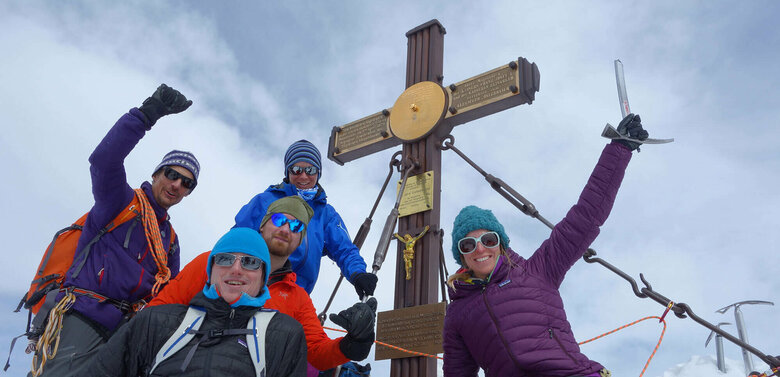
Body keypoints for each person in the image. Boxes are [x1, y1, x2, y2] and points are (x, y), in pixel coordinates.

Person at [442, 114, 650, 377]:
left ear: (501, 244)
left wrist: (619, 150)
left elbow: (585, 218)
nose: (480, 249)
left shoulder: (538, 271)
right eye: (468, 244)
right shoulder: (458, 314)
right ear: (461, 255)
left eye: (488, 239)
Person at [30, 84, 199, 377]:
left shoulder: (170, 240)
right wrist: (147, 114)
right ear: (156, 174)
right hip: (82, 316)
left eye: (187, 183)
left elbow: (168, 293)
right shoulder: (120, 202)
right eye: (172, 174)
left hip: (126, 335)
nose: (177, 185)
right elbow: (104, 161)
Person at [149, 196, 377, 373]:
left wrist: (354, 341)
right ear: (263, 225)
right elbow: (157, 313)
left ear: (300, 240)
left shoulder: (296, 297)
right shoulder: (216, 263)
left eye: (297, 227)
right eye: (279, 220)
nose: (286, 229)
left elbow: (317, 353)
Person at [84, 227, 307, 376]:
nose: (236, 269)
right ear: (210, 271)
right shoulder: (157, 321)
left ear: (263, 276)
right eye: (225, 259)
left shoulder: (284, 335)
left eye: (249, 262)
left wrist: (343, 347)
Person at [234, 140, 377, 298]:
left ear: (318, 173)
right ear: (288, 172)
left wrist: (358, 274)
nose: (303, 176)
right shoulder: (265, 201)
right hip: (256, 289)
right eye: (296, 169)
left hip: (296, 295)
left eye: (310, 170)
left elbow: (344, 249)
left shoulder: (325, 214)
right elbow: (237, 239)